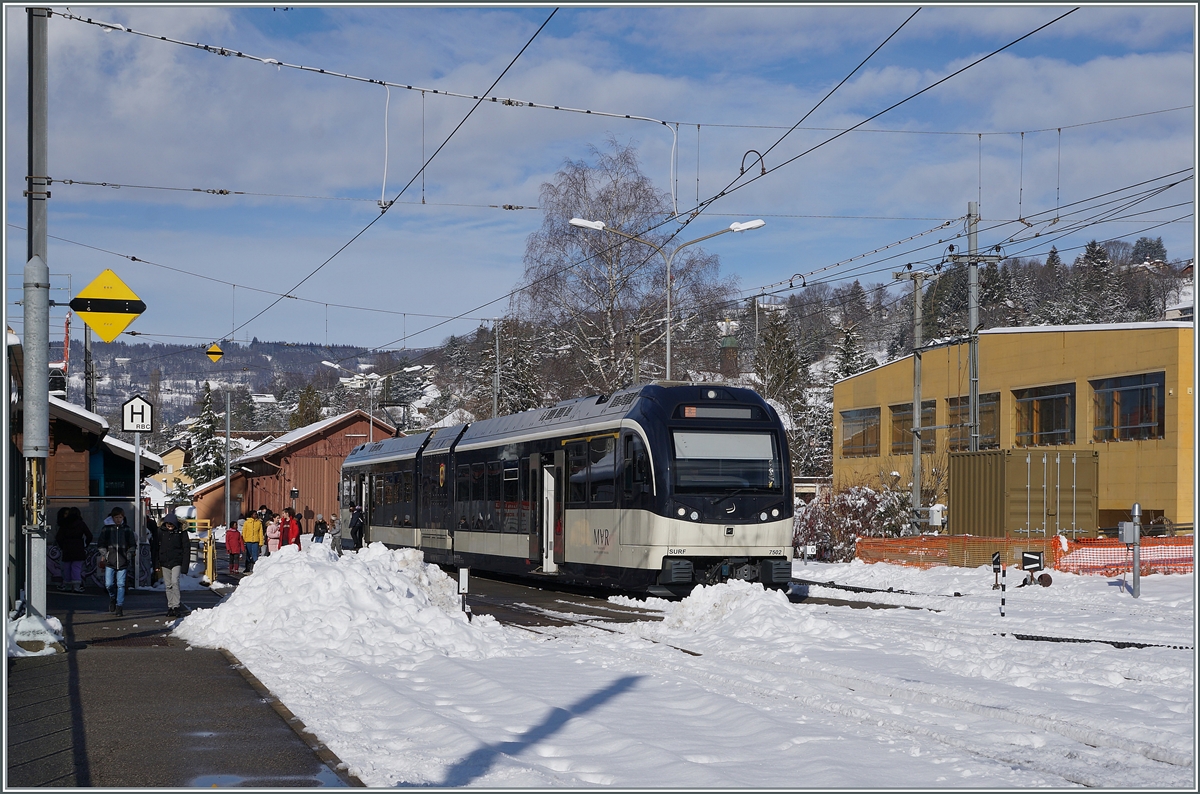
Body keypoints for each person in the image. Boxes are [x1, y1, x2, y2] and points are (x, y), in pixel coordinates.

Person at [97, 507, 136, 616]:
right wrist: (106, 554)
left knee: (121, 584)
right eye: (116, 517)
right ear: (112, 517)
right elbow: (100, 544)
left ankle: (119, 606)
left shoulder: (127, 529)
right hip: (111, 560)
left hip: (123, 560)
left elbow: (132, 544)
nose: (118, 519)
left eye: (120, 517)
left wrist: (128, 555)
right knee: (109, 584)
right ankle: (113, 598)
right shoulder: (107, 529)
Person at [158, 513, 190, 618]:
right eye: (168, 525)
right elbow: (156, 547)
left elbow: (186, 549)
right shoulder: (161, 532)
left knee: (175, 581)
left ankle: (176, 606)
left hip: (177, 561)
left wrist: (185, 566)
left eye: (171, 525)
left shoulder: (182, 532)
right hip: (165, 561)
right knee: (168, 585)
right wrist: (156, 562)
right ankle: (170, 606)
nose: (169, 527)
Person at [55, 507, 92, 592]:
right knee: (76, 567)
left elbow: (58, 537)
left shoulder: (64, 524)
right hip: (78, 546)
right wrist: (86, 544)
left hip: (67, 547)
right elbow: (89, 535)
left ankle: (67, 585)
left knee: (67, 566)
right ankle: (76, 586)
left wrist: (62, 546)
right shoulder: (81, 524)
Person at [241, 508, 264, 573]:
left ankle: (255, 568)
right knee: (248, 554)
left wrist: (261, 542)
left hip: (256, 541)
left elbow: (260, 532)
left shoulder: (259, 523)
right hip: (248, 541)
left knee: (255, 555)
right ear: (251, 515)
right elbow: (244, 531)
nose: (256, 515)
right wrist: (244, 540)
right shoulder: (247, 522)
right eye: (254, 514)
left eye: (256, 514)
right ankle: (247, 568)